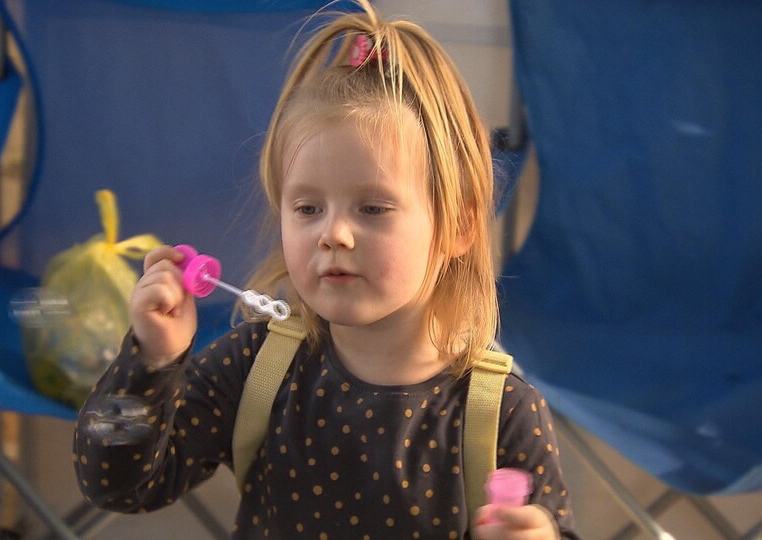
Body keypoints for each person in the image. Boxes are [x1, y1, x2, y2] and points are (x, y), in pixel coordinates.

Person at [73, 2, 577, 538]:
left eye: (373, 208)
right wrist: (151, 359)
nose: (332, 234)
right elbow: (120, 485)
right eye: (308, 209)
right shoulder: (255, 366)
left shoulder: (503, 412)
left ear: (458, 224)